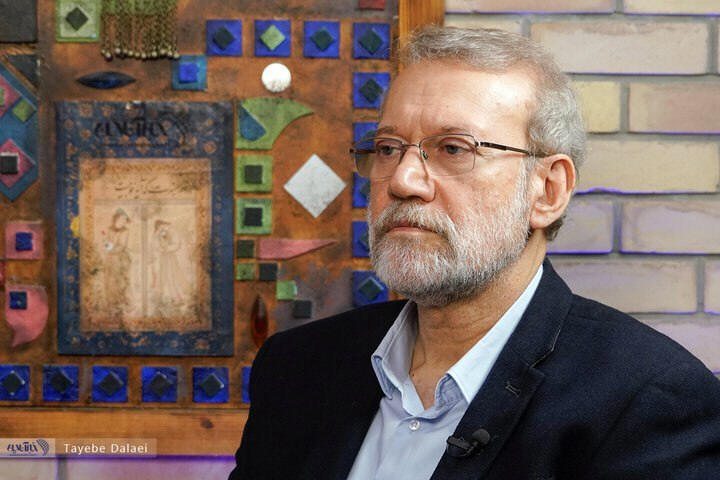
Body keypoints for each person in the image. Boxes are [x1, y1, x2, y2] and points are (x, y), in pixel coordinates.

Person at [229, 27, 720, 479]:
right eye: (388, 148)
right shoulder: (298, 367)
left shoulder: (646, 401)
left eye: (453, 149)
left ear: (547, 191)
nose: (403, 180)